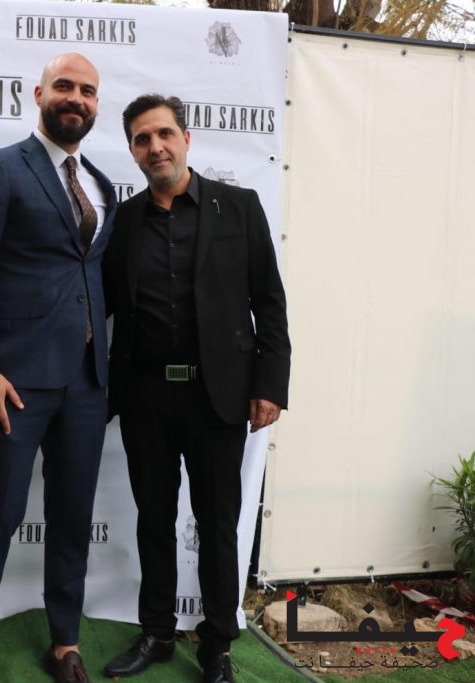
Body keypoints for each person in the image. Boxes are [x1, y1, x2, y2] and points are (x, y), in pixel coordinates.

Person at [101, 94, 290, 683]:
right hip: (145, 397)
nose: (155, 147)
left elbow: (270, 303)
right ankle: (157, 633)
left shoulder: (240, 207)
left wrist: (270, 385)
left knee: (218, 522)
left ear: (186, 138)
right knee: (153, 520)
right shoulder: (122, 221)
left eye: (164, 134)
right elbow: (99, 305)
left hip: (218, 398)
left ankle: (217, 646)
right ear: (132, 151)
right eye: (142, 139)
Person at [0, 52, 116, 683]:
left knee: (72, 517)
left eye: (88, 91)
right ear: (39, 94)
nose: (76, 98)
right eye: (64, 86)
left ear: (96, 105)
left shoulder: (102, 184)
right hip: (14, 384)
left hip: (88, 384)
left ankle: (66, 642)